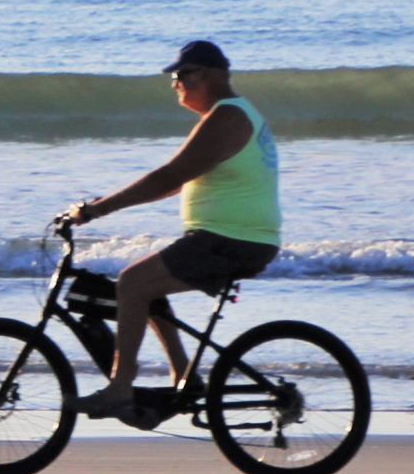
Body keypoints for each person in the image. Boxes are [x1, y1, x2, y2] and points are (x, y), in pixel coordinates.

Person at [63, 40, 280, 419]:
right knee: (150, 288)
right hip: (232, 236)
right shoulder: (228, 115)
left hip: (231, 240)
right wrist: (107, 202)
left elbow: (168, 177)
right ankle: (185, 376)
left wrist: (97, 210)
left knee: (132, 283)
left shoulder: (226, 117)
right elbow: (179, 181)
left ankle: (119, 389)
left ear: (209, 75)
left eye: (181, 75)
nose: (174, 83)